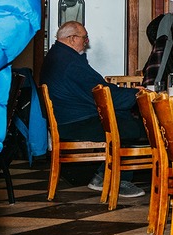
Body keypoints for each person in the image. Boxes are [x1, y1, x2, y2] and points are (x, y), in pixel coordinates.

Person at [39, 21, 145, 198]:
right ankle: (117, 181)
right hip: (73, 123)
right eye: (84, 38)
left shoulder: (57, 55)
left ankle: (102, 176)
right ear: (72, 39)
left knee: (122, 118)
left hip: (65, 119)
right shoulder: (69, 62)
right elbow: (101, 92)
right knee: (129, 127)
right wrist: (135, 94)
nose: (86, 42)